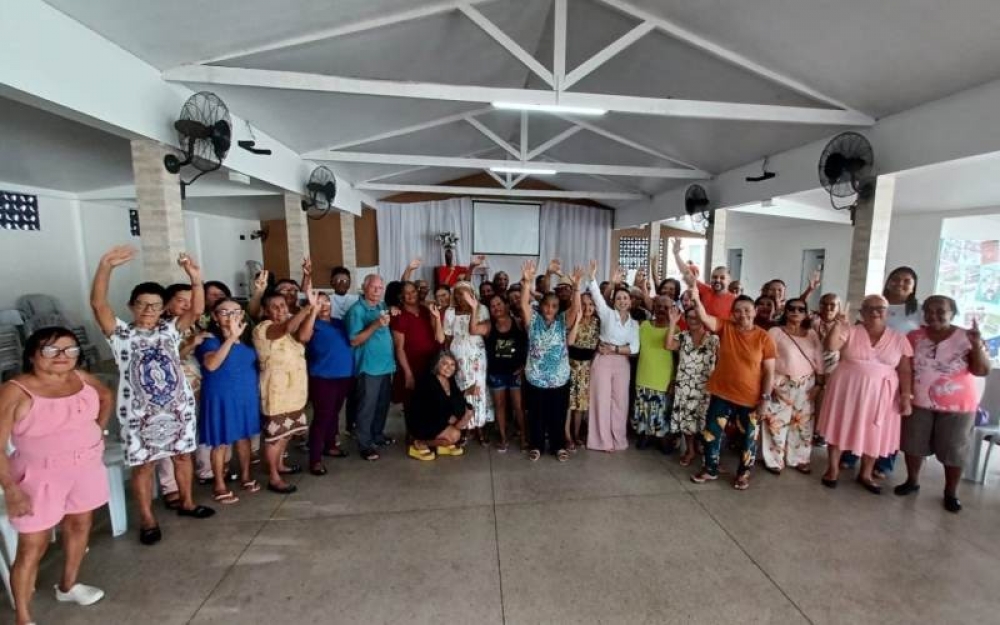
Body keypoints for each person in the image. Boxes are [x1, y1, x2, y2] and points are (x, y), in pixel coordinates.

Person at [90, 246, 214, 546]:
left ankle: (186, 501)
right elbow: (98, 305)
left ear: (163, 309)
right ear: (131, 306)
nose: (149, 311)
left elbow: (196, 310)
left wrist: (196, 279)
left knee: (183, 457)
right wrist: (105, 265)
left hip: (176, 408)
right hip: (139, 412)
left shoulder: (170, 331)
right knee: (143, 466)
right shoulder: (120, 334)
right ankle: (147, 518)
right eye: (143, 305)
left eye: (155, 306)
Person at [0, 328, 113, 624]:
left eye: (70, 349)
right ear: (33, 354)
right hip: (39, 475)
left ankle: (68, 585)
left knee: (79, 525)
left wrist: (97, 431)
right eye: (52, 350)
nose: (63, 357)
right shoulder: (16, 389)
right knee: (32, 547)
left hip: (85, 467)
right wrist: (10, 489)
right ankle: (24, 618)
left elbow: (105, 394)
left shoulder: (79, 377)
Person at [896, 296, 992, 512]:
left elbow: (982, 370)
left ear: (953, 313)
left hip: (957, 405)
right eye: (929, 311)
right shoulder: (914, 336)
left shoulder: (968, 337)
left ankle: (950, 492)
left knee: (954, 449)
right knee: (913, 444)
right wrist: (906, 394)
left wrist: (976, 345)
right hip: (919, 401)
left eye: (941, 311)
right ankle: (912, 481)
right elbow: (906, 368)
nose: (934, 315)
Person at [816, 295, 913, 493]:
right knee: (839, 425)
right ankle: (832, 469)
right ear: (862, 312)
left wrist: (905, 396)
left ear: (888, 313)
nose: (875, 311)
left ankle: (866, 473)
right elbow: (830, 346)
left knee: (875, 431)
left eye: (881, 308)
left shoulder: (899, 338)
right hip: (847, 389)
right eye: (870, 308)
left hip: (883, 394)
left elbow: (905, 370)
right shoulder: (850, 330)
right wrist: (837, 324)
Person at [689, 291, 776, 490]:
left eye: (747, 310)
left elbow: (769, 371)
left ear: (755, 311)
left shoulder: (764, 338)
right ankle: (710, 469)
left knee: (748, 438)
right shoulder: (726, 327)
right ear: (732, 314)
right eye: (737, 311)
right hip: (721, 393)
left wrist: (765, 398)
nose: (742, 314)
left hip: (750, 398)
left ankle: (743, 474)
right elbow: (704, 317)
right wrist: (695, 296)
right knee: (712, 433)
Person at [842, 267, 922, 476]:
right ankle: (852, 453)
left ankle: (884, 461)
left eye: (907, 280)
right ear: (888, 281)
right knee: (859, 412)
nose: (900, 283)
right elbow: (860, 331)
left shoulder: (918, 310)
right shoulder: (875, 302)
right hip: (867, 367)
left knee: (887, 418)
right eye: (896, 279)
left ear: (914, 286)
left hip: (895, 367)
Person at [196, 299, 261, 503]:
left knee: (244, 437)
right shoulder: (210, 339)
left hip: (245, 394)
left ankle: (245, 476)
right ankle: (219, 485)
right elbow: (212, 365)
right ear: (215, 316)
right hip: (221, 395)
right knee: (220, 441)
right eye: (224, 312)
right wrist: (231, 337)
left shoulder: (248, 337)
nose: (231, 315)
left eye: (235, 311)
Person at [518, 260, 582, 462]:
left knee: (557, 415)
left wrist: (577, 288)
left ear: (557, 308)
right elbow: (523, 305)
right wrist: (527, 283)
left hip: (559, 379)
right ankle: (536, 445)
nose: (549, 309)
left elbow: (575, 311)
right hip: (536, 378)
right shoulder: (534, 321)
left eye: (554, 306)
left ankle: (558, 446)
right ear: (541, 305)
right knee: (536, 414)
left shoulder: (563, 320)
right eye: (546, 305)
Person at [253, 289, 315, 492]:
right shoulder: (264, 328)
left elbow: (304, 335)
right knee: (275, 436)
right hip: (275, 392)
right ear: (265, 310)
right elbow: (286, 327)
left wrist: (313, 311)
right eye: (275, 306)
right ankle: (273, 476)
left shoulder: (291, 328)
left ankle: (279, 464)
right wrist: (306, 308)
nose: (281, 309)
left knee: (287, 433)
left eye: (283, 305)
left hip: (294, 390)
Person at [759, 298, 824, 474]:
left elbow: (818, 358)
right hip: (781, 381)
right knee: (775, 422)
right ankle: (773, 460)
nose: (796, 312)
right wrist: (768, 384)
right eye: (792, 308)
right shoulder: (775, 331)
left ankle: (799, 458)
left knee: (802, 423)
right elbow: (766, 357)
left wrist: (819, 383)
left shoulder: (811, 334)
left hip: (807, 383)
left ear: (806, 313)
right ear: (785, 311)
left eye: (801, 309)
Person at [586, 261, 640, 452]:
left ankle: (618, 439)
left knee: (620, 402)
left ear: (630, 301)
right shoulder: (607, 314)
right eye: (619, 298)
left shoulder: (634, 325)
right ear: (614, 301)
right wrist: (593, 277)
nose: (623, 301)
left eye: (625, 298)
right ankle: (602, 441)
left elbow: (634, 348)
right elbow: (597, 296)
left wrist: (615, 350)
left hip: (622, 363)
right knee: (601, 400)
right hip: (603, 362)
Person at [299, 292, 355, 475]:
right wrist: (312, 312)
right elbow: (304, 338)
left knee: (334, 413)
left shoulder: (338, 322)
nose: (324, 305)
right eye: (319, 302)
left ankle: (330, 445)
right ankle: (315, 459)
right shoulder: (312, 323)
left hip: (343, 375)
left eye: (327, 301)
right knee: (322, 416)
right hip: (323, 377)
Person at [346, 274, 397, 461]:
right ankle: (364, 444)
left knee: (382, 405)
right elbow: (354, 340)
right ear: (364, 288)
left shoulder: (381, 306)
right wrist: (375, 324)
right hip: (369, 367)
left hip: (385, 366)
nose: (377, 290)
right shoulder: (357, 311)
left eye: (380, 287)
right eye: (374, 287)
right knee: (367, 407)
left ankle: (377, 435)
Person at [666, 307, 719, 466]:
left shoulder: (714, 339)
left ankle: (705, 450)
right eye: (689, 317)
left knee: (705, 421)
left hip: (706, 387)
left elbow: (722, 363)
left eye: (696, 317)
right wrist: (673, 322)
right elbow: (668, 345)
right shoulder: (682, 336)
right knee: (687, 421)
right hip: (685, 386)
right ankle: (690, 450)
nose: (693, 320)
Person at [444, 282, 494, 445]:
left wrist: (474, 308)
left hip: (476, 356)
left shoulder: (482, 309)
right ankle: (465, 427)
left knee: (478, 388)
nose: (461, 297)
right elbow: (448, 338)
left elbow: (478, 332)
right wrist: (450, 359)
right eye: (457, 294)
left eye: (464, 293)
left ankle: (479, 426)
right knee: (461, 388)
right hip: (457, 356)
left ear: (472, 294)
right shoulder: (450, 312)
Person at [406, 352, 474, 460]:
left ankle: (443, 443)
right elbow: (429, 409)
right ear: (437, 365)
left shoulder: (450, 380)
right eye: (445, 364)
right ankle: (418, 442)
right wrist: (449, 418)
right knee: (454, 436)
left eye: (452, 364)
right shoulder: (427, 381)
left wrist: (465, 411)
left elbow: (456, 399)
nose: (449, 368)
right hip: (423, 422)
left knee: (467, 414)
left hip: (440, 420)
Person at [390, 281, 444, 411]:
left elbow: (437, 336)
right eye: (406, 293)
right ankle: (411, 431)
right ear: (401, 296)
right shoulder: (399, 316)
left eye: (413, 291)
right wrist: (408, 373)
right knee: (411, 403)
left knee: (431, 402)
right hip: (412, 365)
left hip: (431, 363)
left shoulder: (426, 310)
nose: (410, 295)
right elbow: (399, 348)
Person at [632, 296, 676, 451]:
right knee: (644, 411)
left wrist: (673, 381)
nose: (662, 310)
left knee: (662, 415)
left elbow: (678, 360)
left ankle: (661, 437)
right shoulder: (643, 325)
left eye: (666, 307)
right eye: (658, 306)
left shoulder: (675, 330)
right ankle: (646, 435)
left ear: (672, 309)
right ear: (653, 307)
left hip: (663, 381)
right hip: (643, 377)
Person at [485, 294, 527, 452]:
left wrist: (524, 366)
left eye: (499, 304)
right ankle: (503, 437)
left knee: (518, 407)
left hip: (515, 373)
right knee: (500, 406)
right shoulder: (489, 325)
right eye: (492, 306)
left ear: (507, 305)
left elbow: (529, 346)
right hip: (496, 373)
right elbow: (473, 329)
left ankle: (523, 437)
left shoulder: (518, 323)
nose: (496, 308)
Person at [566, 292, 600, 450]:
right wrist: (578, 320)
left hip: (587, 368)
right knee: (568, 403)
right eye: (584, 304)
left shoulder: (597, 322)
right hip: (570, 365)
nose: (588, 307)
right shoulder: (573, 320)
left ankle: (577, 434)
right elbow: (570, 342)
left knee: (580, 404)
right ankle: (566, 435)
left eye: (591, 304)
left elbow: (596, 346)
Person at [674, 239, 735, 322]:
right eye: (714, 277)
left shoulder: (734, 300)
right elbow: (687, 273)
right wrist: (676, 254)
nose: (717, 280)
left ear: (729, 281)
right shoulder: (706, 290)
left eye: (722, 278)